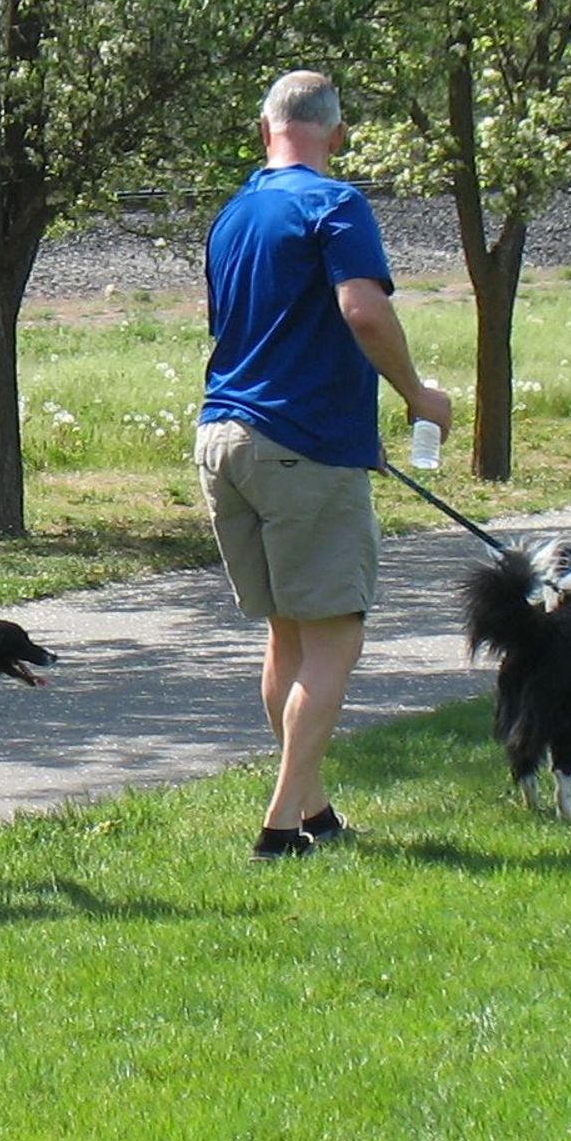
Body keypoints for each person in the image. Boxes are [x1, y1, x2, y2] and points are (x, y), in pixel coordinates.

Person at [196, 69, 452, 860]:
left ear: (263, 126)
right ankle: (279, 826)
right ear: (335, 134)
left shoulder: (232, 216)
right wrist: (417, 396)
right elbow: (363, 311)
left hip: (223, 437)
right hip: (300, 448)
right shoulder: (334, 204)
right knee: (335, 637)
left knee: (288, 639)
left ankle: (315, 812)